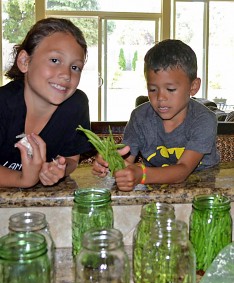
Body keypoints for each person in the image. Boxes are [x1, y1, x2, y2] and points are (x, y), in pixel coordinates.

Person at [93, 39, 220, 191]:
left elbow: (183, 170)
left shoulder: (203, 119)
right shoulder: (139, 117)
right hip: (153, 189)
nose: (160, 97)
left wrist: (142, 174)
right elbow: (126, 162)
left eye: (171, 89)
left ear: (193, 87)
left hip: (202, 189)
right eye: (152, 89)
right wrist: (110, 162)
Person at [0, 17, 92, 188]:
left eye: (75, 67)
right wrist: (24, 179)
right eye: (55, 60)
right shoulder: (4, 103)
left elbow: (72, 158)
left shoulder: (76, 106)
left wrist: (60, 168)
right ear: (25, 61)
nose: (66, 74)